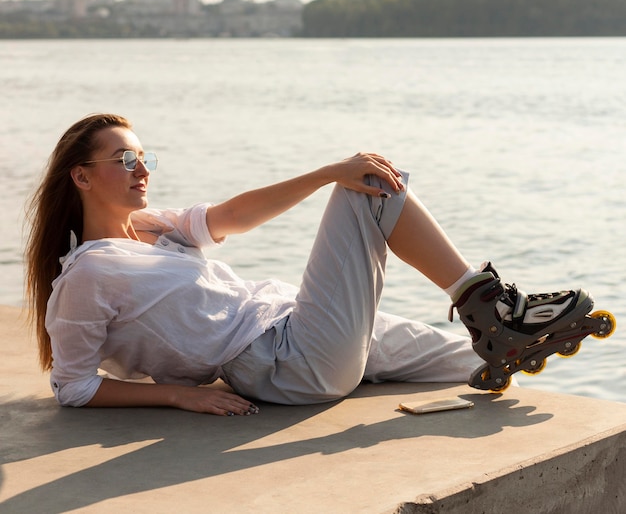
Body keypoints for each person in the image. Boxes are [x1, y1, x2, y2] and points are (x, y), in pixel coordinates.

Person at [25, 114, 592, 416]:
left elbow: (236, 216)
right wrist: (179, 394)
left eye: (145, 157)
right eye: (125, 159)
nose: (142, 169)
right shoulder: (87, 275)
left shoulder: (154, 228)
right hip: (280, 360)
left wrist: (322, 173)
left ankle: (498, 333)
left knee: (468, 360)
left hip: (295, 323)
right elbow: (72, 386)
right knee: (370, 187)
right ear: (81, 176)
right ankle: (488, 305)